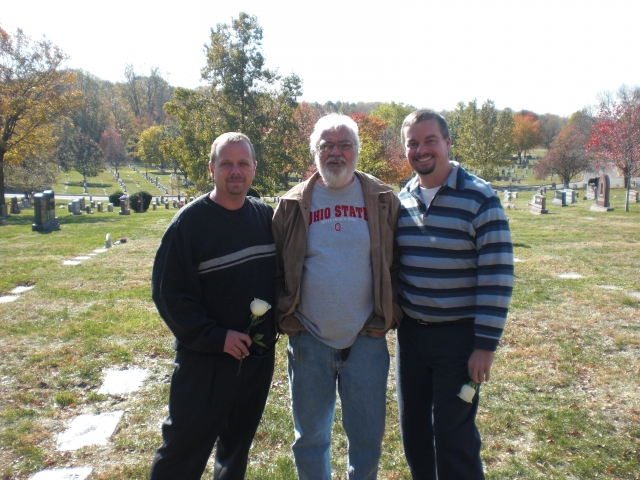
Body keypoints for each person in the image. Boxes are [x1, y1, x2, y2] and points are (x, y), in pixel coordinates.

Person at [273, 114, 402, 480]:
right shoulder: (292, 203)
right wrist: (290, 320)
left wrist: (389, 317)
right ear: (314, 152)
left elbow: (399, 264)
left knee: (366, 440)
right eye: (326, 145)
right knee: (310, 439)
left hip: (366, 341)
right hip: (309, 342)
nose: (336, 153)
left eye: (344, 144)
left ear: (357, 151)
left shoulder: (381, 199)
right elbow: (278, 269)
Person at [149, 132, 277, 480]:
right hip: (204, 363)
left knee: (235, 452)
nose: (235, 171)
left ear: (253, 168)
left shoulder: (264, 218)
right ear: (212, 169)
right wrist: (216, 337)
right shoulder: (189, 225)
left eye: (242, 164)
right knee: (182, 451)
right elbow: (169, 294)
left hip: (254, 362)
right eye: (226, 164)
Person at [395, 109, 514, 479]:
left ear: (447, 143)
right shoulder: (402, 200)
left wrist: (485, 345)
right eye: (413, 143)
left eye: (430, 140)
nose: (422, 149)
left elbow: (497, 274)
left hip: (459, 339)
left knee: (452, 435)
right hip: (411, 337)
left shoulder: (479, 198)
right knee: (414, 431)